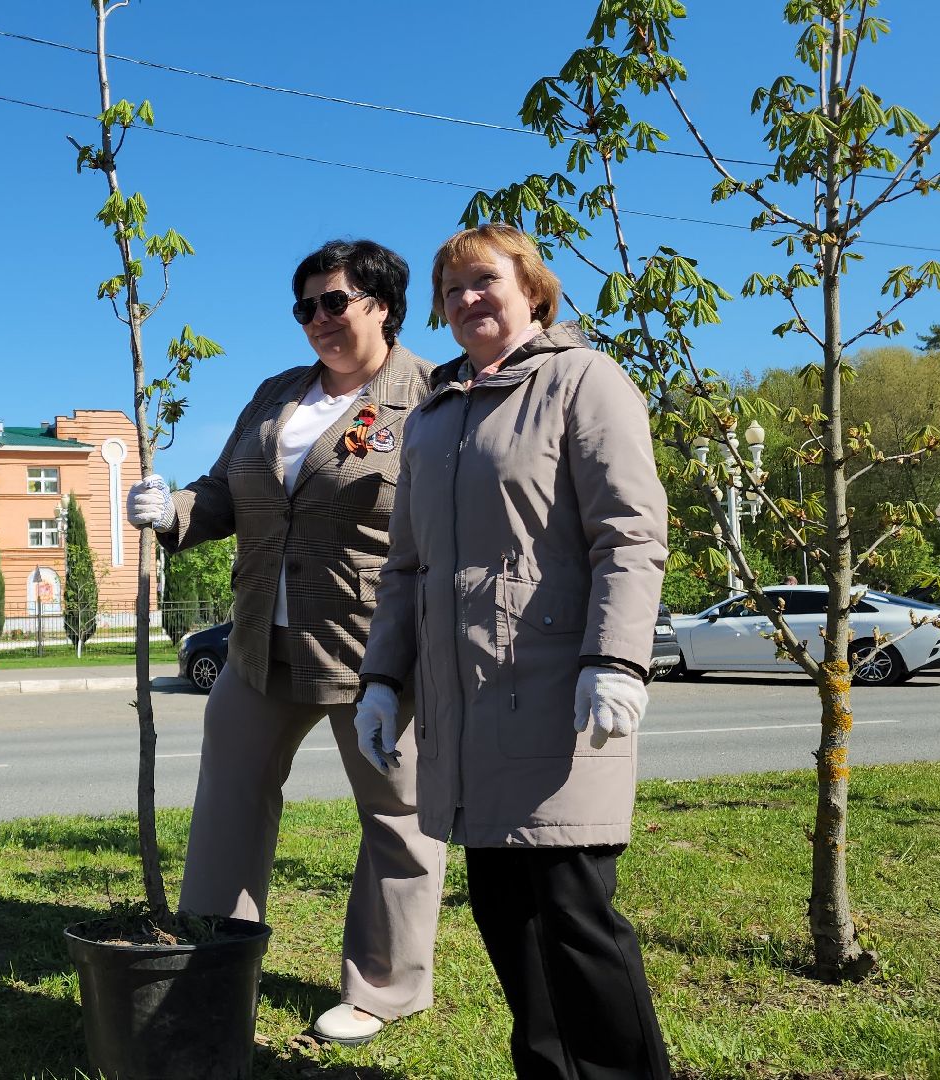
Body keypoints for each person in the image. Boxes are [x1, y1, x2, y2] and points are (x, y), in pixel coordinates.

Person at [356, 223, 671, 1078]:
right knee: (509, 923)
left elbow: (630, 536)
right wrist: (383, 681)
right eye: (450, 289)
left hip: (558, 693)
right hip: (466, 713)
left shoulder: (584, 381)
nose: (465, 301)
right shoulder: (433, 415)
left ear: (533, 289)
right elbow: (408, 565)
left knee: (574, 920)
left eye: (482, 282)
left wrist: (617, 658)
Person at [126, 239, 446, 1046]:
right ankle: (216, 950)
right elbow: (225, 493)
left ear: (382, 304)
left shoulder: (432, 397)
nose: (316, 321)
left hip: (373, 645)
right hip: (256, 644)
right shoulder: (276, 397)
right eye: (304, 307)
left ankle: (385, 987)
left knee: (398, 818)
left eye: (333, 302)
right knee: (229, 796)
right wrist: (173, 512)